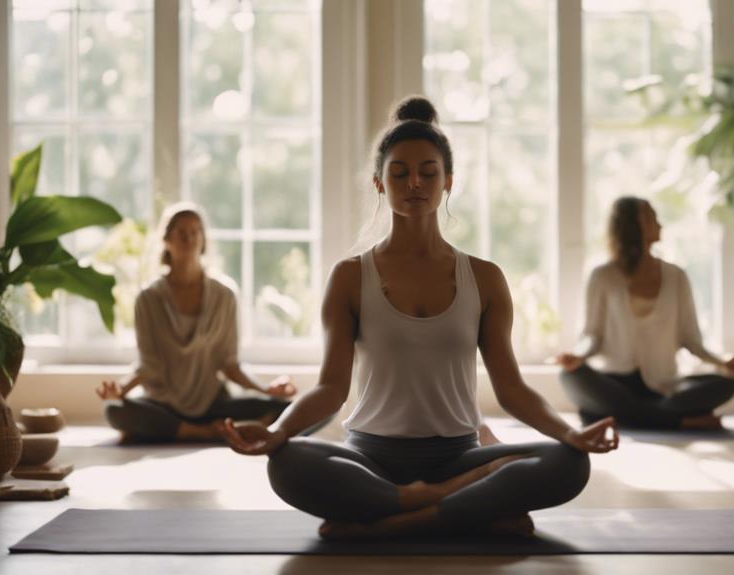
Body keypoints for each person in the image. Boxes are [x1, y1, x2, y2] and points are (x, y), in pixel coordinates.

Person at [220, 96, 618, 540]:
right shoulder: (350, 276)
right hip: (372, 456)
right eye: (399, 173)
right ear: (378, 183)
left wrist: (571, 433)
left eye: (428, 172)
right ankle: (454, 503)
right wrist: (277, 432)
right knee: (289, 463)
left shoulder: (484, 278)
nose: (414, 183)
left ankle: (395, 519)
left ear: (448, 181)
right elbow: (332, 389)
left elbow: (512, 390)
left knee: (568, 462)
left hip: (458, 453)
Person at [95, 203, 308, 442]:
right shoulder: (148, 299)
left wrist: (267, 390)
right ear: (166, 240)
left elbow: (230, 365)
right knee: (115, 411)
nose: (189, 238)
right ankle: (206, 432)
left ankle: (180, 431)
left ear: (203, 240)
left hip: (213, 404)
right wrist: (121, 389)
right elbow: (150, 364)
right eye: (181, 232)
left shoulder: (224, 295)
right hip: (164, 403)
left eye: (196, 232)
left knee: (296, 409)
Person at [555, 196, 734, 430]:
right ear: (630, 226)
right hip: (615, 383)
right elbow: (592, 335)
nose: (660, 225)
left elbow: (691, 340)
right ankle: (679, 420)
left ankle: (606, 416)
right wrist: (577, 356)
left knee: (727, 384)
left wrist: (722, 360)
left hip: (663, 387)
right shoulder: (602, 276)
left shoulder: (676, 277)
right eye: (651, 218)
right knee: (569, 377)